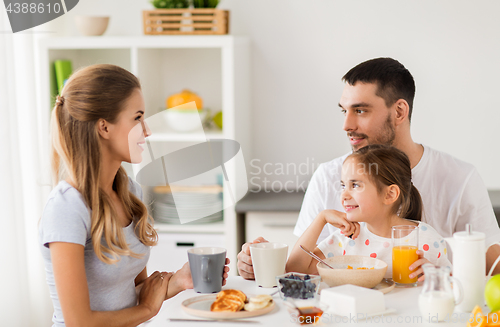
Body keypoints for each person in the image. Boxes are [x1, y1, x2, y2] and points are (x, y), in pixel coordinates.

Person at [238, 57, 500, 279]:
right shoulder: (328, 176)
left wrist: (438, 275)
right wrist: (253, 265)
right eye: (344, 111)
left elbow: (493, 271)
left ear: (399, 112)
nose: (347, 125)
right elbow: (300, 270)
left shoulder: (460, 178)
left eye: (360, 111)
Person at [39, 64, 230, 327]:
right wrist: (148, 310)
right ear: (104, 127)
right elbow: (79, 322)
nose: (147, 130)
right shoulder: (67, 207)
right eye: (137, 118)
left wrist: (180, 280)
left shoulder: (130, 193)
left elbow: (132, 297)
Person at [286, 145, 451, 280]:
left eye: (355, 185)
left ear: (389, 194)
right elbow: (295, 270)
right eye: (343, 185)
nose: (344, 195)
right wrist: (321, 218)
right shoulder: (347, 238)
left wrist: (434, 274)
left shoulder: (426, 239)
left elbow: (453, 285)